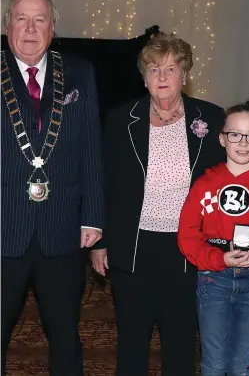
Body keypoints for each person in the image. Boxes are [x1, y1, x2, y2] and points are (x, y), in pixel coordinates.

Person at [91, 32, 226, 376]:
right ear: (144, 76)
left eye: (170, 69)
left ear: (185, 74)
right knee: (132, 343)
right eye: (154, 69)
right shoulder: (121, 118)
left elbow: (224, 182)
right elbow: (105, 182)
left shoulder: (211, 119)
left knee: (181, 343)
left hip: (186, 248)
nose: (162, 77)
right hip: (133, 244)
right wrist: (101, 241)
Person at [1, 0, 104, 376]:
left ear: (53, 26)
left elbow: (91, 148)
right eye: (22, 19)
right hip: (3, 226)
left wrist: (93, 216)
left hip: (62, 231)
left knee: (64, 334)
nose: (30, 28)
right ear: (7, 24)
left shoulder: (79, 71)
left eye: (39, 19)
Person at [178, 99, 249, 376]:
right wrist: (216, 258)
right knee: (214, 362)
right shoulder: (205, 184)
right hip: (214, 279)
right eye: (235, 134)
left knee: (243, 362)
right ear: (222, 139)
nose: (243, 142)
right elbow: (188, 233)